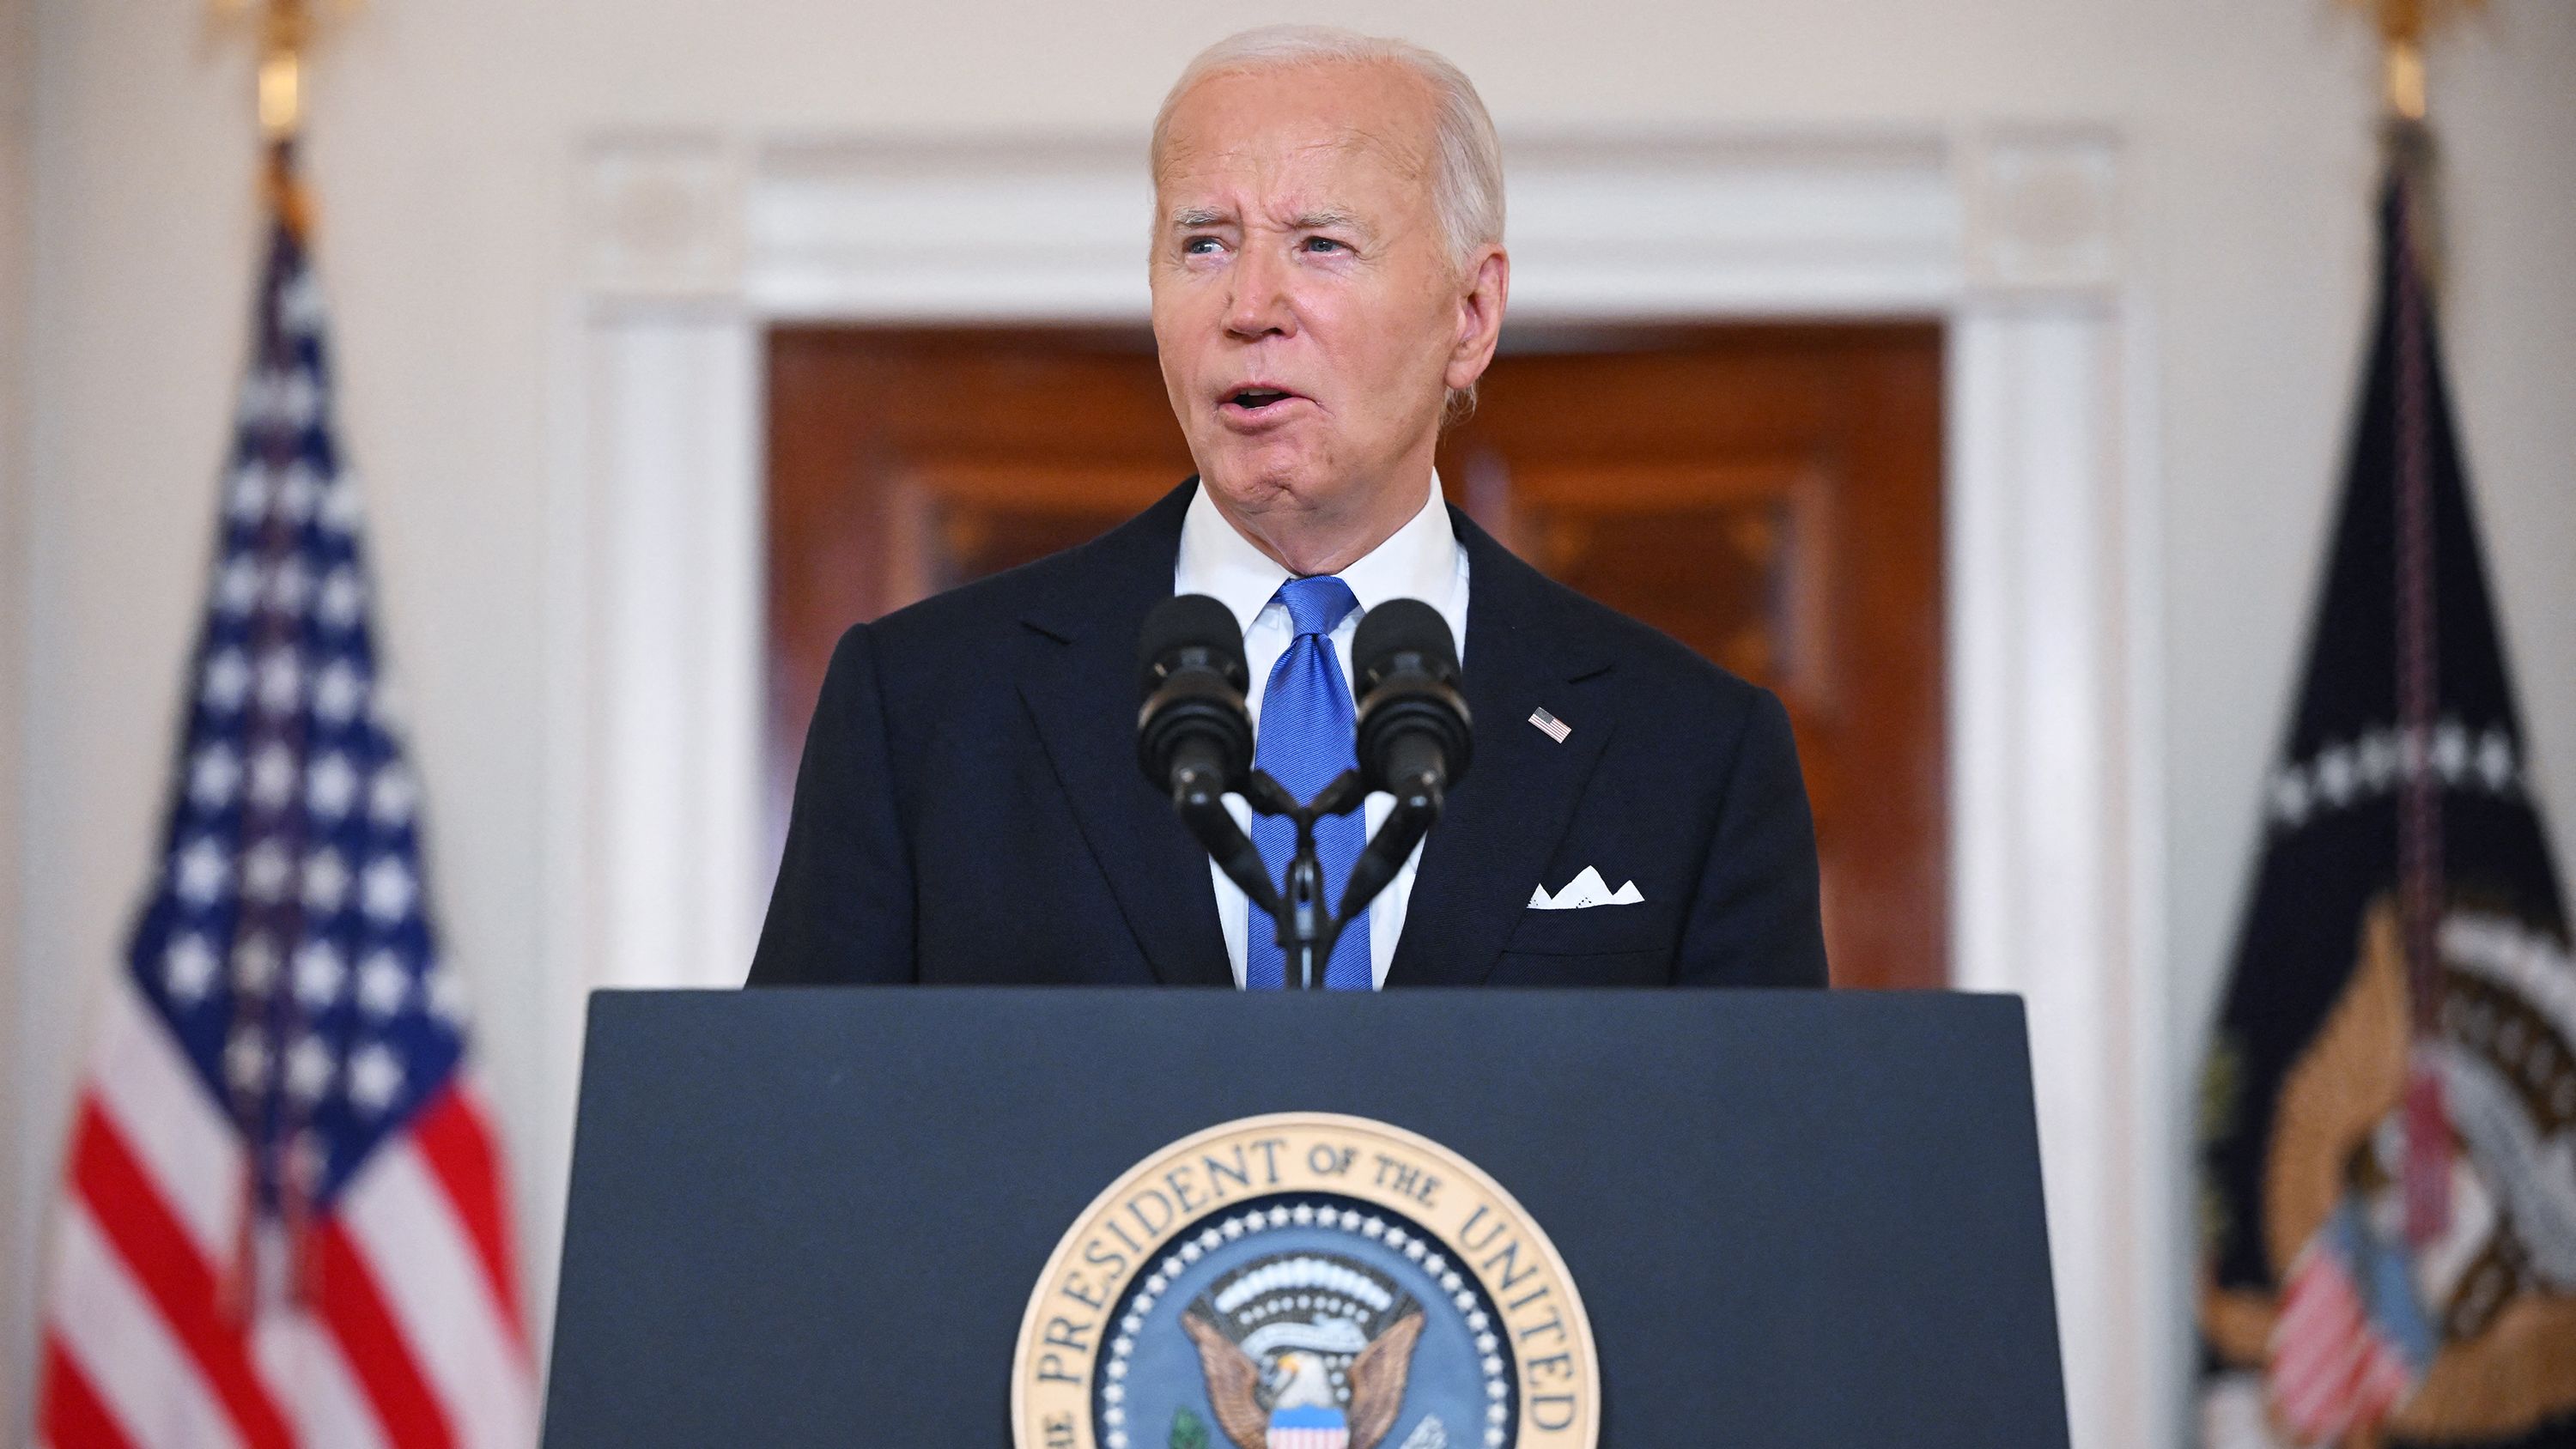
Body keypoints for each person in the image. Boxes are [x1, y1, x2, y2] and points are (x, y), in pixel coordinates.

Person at [747, 26, 1826, 989]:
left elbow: (1758, 1183)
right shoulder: (924, 708)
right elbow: (794, 1151)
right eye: (1203, 243)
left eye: (1321, 243)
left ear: (1472, 312)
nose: (1249, 307)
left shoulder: (1692, 749)